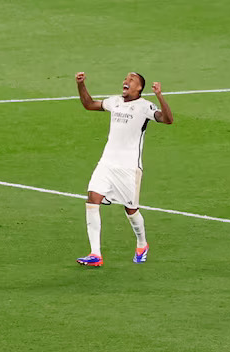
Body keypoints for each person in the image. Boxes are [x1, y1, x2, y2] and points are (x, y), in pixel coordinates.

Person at [74, 71, 174, 267]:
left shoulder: (145, 107)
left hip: (128, 168)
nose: (126, 81)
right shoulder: (115, 102)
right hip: (106, 163)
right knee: (93, 199)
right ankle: (95, 254)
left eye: (132, 80)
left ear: (139, 88)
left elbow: (167, 119)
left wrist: (160, 96)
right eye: (126, 78)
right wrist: (81, 84)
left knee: (131, 209)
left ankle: (142, 243)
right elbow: (88, 104)